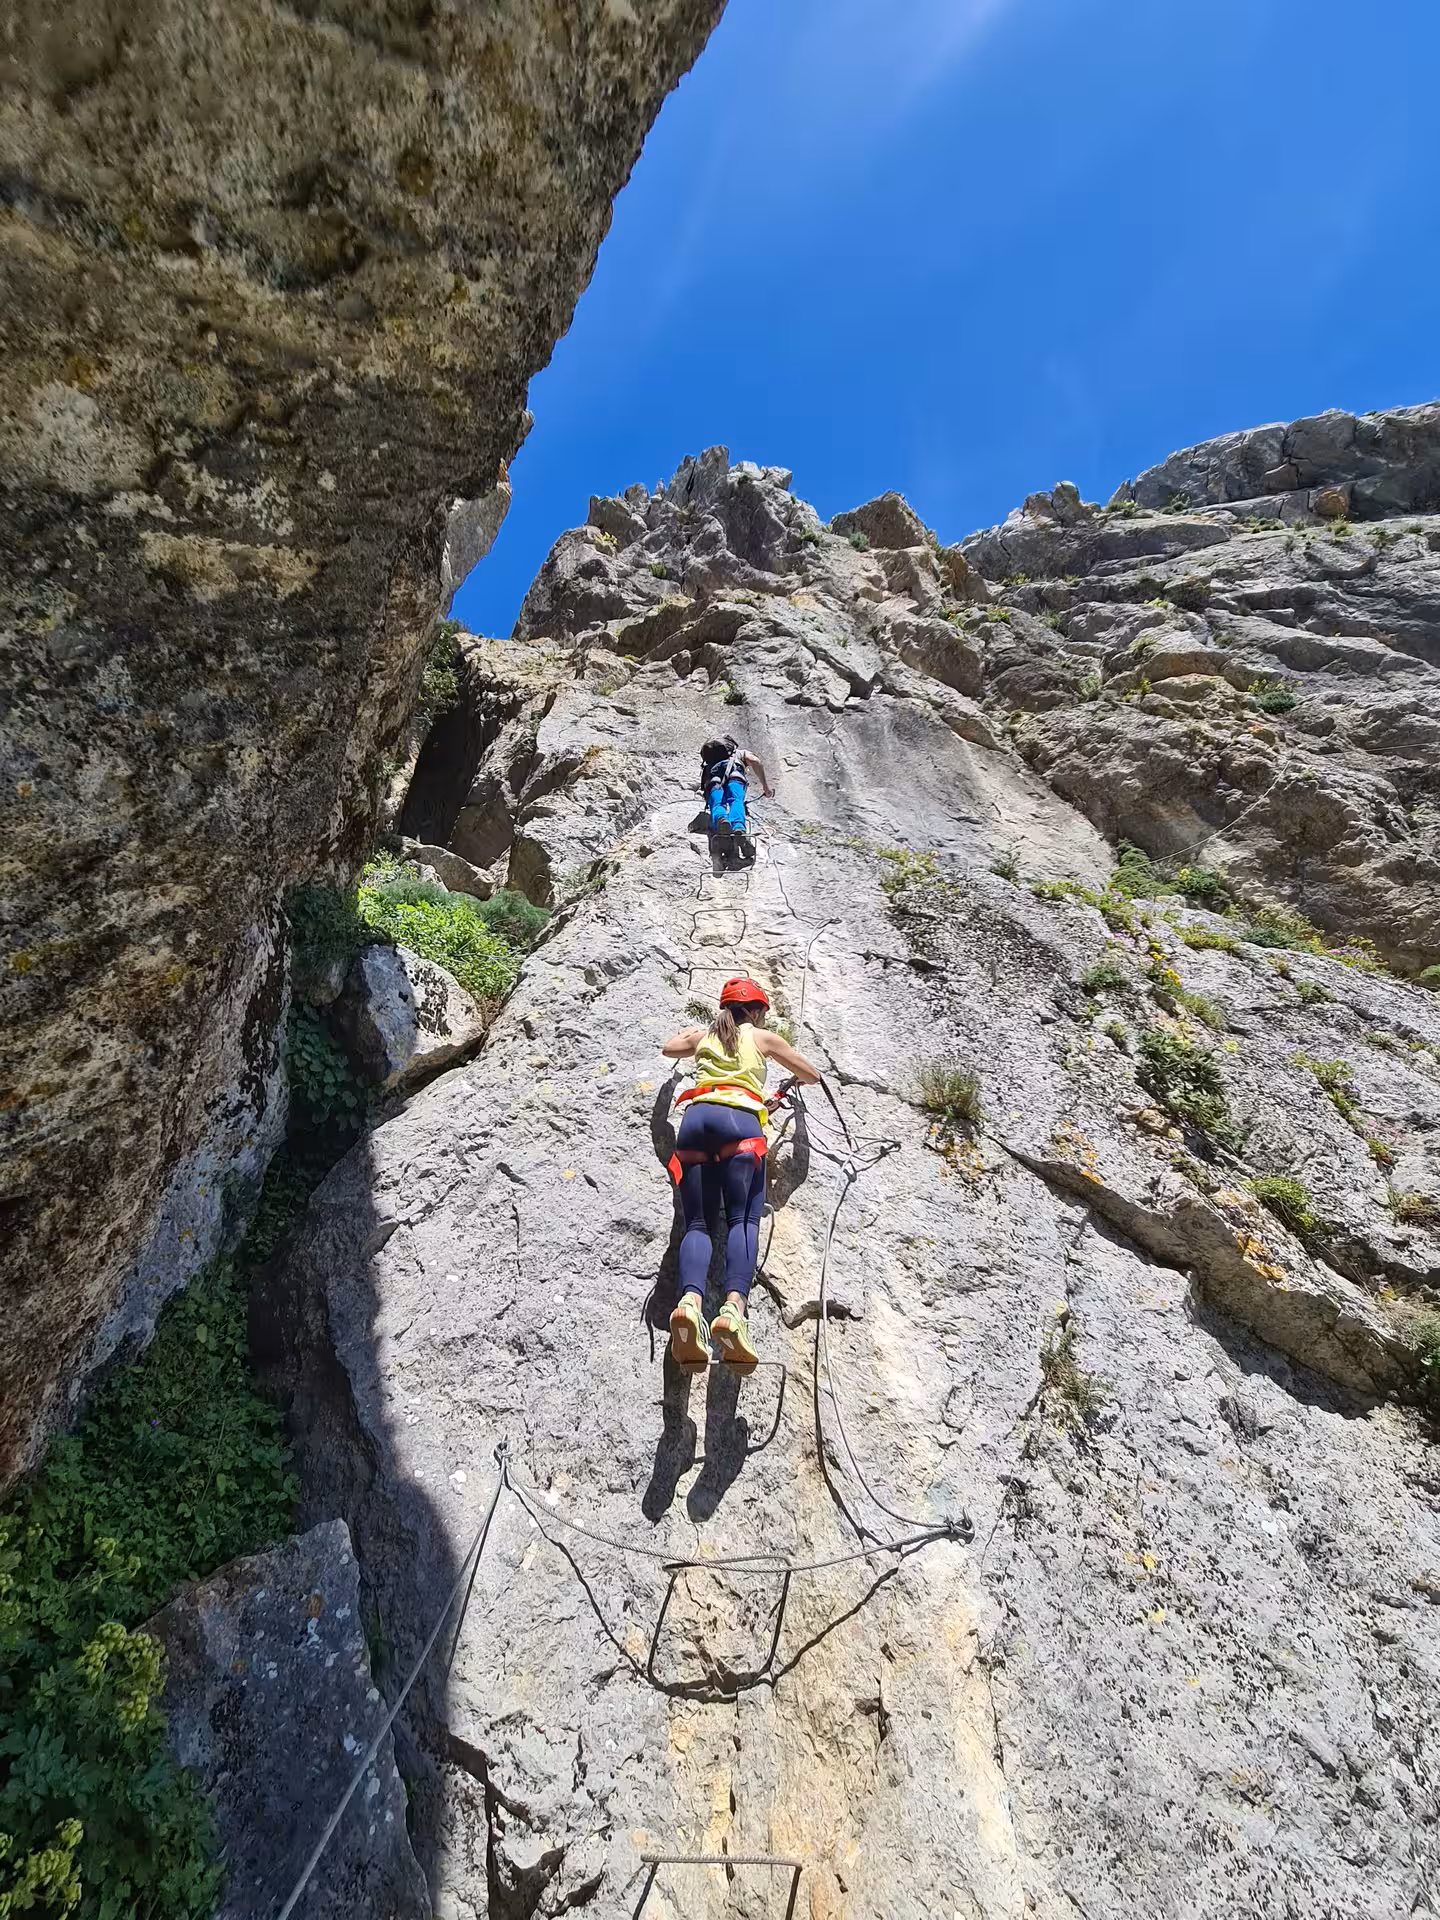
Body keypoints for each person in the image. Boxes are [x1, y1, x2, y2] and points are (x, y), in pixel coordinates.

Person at [660, 976, 820, 1371]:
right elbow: (811, 1074)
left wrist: (694, 1031)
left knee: (697, 1223)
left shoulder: (703, 1037)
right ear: (758, 1011)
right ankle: (732, 1312)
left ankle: (689, 1305)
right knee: (743, 1220)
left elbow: (668, 1048)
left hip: (696, 1123)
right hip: (741, 1126)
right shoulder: (763, 1039)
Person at [699, 736, 772, 858]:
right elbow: (755, 761)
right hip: (735, 777)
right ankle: (738, 828)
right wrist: (766, 787)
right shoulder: (739, 753)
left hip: (713, 781)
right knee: (736, 801)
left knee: (717, 804)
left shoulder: (709, 759)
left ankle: (722, 821)